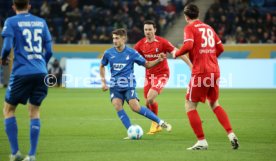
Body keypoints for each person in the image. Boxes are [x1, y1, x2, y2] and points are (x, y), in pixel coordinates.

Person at [173, 4, 239, 150]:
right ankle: (231, 134)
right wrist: (209, 57)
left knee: (190, 105)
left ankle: (201, 141)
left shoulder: (189, 28)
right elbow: (220, 48)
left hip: (201, 72)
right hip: (214, 70)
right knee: (214, 103)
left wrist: (176, 54)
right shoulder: (208, 28)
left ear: (186, 16)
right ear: (198, 14)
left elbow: (188, 45)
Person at [1, 0, 53, 160]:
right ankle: (31, 155)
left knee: (8, 109)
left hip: (21, 72)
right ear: (29, 6)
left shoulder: (10, 22)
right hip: (41, 71)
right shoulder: (41, 22)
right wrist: (41, 64)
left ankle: (15, 152)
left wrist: (3, 59)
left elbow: (7, 45)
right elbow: (49, 50)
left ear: (13, 7)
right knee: (34, 110)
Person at [99, 28, 172, 139]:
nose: (114, 41)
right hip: (115, 86)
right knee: (117, 106)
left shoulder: (132, 53)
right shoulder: (108, 53)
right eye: (113, 38)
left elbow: (146, 64)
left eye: (117, 38)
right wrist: (103, 82)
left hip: (128, 85)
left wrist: (158, 60)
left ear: (124, 39)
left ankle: (160, 122)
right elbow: (102, 66)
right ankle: (130, 131)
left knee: (135, 107)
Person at [134, 20, 192, 134]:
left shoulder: (162, 42)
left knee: (150, 98)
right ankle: (157, 124)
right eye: (146, 29)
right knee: (148, 103)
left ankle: (155, 123)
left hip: (162, 75)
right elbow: (132, 57)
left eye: (150, 29)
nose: (148, 32)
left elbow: (177, 51)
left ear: (155, 30)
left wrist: (191, 65)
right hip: (148, 76)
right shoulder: (140, 44)